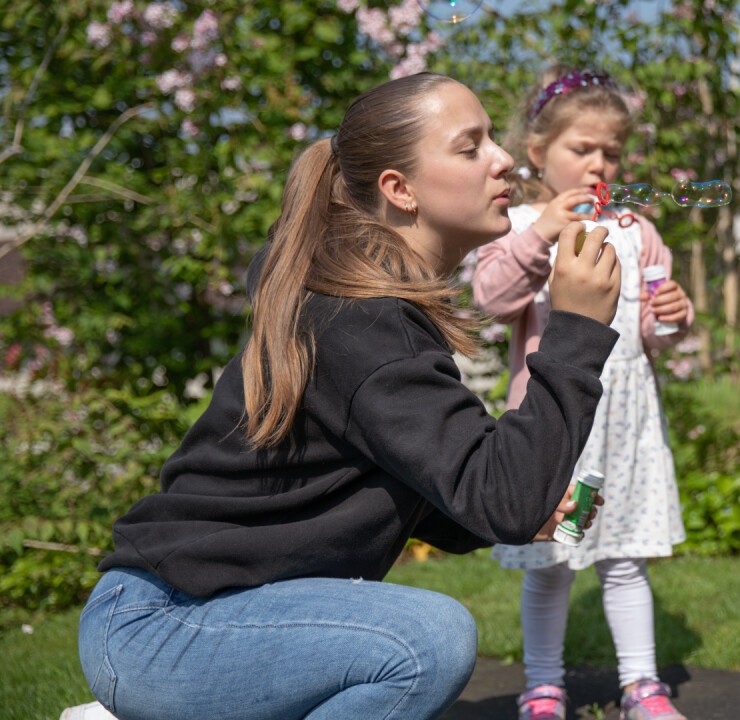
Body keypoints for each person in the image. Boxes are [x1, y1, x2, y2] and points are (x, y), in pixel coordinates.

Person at [69, 71, 621, 720]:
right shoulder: (362, 320)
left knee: (423, 637)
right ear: (400, 189)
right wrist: (577, 331)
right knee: (426, 640)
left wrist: (525, 505)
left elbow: (455, 488)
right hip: (165, 624)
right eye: (471, 147)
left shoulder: (366, 311)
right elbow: (498, 497)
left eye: (492, 140)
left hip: (195, 617)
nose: (502, 158)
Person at [469, 66, 694, 720]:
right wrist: (539, 233)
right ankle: (543, 685)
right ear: (538, 152)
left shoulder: (637, 229)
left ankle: (642, 686)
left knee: (624, 562)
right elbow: (492, 303)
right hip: (552, 425)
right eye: (582, 149)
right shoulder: (513, 224)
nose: (599, 163)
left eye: (612, 153)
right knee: (550, 564)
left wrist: (676, 317)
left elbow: (652, 331)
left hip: (626, 425)